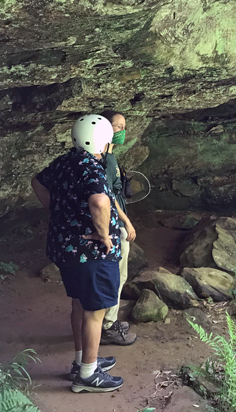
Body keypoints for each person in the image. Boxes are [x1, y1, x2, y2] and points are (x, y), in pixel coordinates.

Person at [31, 114, 124, 393]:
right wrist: (105, 233)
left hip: (66, 247)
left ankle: (83, 360)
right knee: (96, 310)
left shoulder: (65, 162)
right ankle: (87, 375)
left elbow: (37, 182)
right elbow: (99, 200)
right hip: (90, 253)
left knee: (80, 304)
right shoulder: (92, 167)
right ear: (105, 142)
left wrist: (58, 210)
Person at [98, 110, 138, 346]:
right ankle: (107, 326)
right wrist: (127, 221)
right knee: (118, 275)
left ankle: (108, 321)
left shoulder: (110, 157)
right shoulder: (105, 159)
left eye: (124, 126)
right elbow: (106, 194)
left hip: (115, 222)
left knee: (118, 275)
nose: (121, 131)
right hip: (115, 224)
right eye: (117, 126)